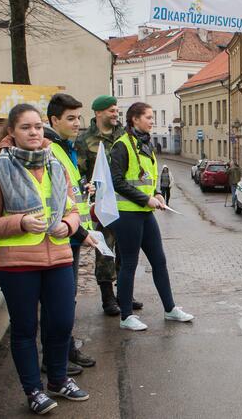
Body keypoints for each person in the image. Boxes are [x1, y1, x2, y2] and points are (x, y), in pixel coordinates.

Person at [0, 104, 89, 414]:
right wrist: (19, 223)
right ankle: (33, 391)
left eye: (38, 126)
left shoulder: (55, 164)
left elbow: (73, 209)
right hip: (17, 263)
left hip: (59, 257)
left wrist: (69, 225)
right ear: (12, 132)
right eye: (26, 127)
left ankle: (58, 379)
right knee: (25, 329)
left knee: (62, 323)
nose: (35, 132)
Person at [108, 102, 194, 331]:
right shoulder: (122, 145)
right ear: (134, 119)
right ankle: (126, 316)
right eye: (148, 117)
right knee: (129, 264)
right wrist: (145, 199)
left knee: (159, 261)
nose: (152, 120)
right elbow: (117, 181)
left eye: (152, 116)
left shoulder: (146, 144)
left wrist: (157, 193)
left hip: (145, 213)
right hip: (127, 214)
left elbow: (150, 177)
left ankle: (170, 309)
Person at [44, 93, 97, 375]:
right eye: (71, 119)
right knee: (58, 301)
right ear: (54, 120)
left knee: (68, 298)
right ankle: (54, 358)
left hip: (72, 234)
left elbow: (69, 190)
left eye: (79, 118)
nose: (78, 124)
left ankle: (66, 350)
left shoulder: (66, 148)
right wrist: (79, 234)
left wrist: (83, 184)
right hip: (61, 236)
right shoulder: (51, 149)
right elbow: (54, 202)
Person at [75, 95, 142, 316]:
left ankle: (125, 294)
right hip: (103, 205)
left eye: (116, 110)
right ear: (99, 113)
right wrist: (86, 187)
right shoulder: (85, 140)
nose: (116, 114)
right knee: (105, 251)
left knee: (126, 250)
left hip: (125, 202)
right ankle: (107, 299)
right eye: (112, 110)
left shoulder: (124, 135)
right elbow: (80, 173)